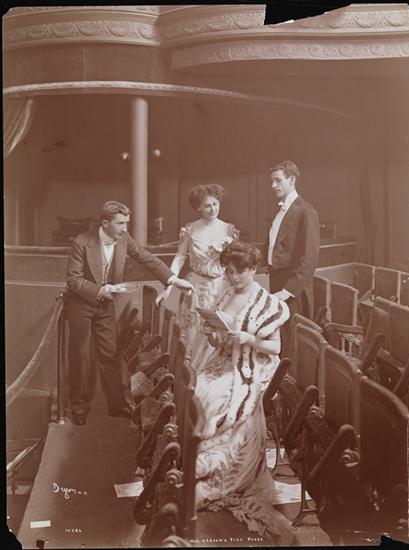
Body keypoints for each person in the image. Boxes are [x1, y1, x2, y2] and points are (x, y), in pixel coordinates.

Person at [192, 242, 294, 542]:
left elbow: (275, 348)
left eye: (239, 272)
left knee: (217, 399)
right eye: (229, 272)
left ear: (253, 269)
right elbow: (216, 338)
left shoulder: (267, 304)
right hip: (224, 359)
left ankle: (218, 475)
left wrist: (249, 338)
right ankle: (198, 463)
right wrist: (215, 336)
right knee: (198, 389)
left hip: (252, 365)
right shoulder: (226, 294)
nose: (233, 277)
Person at [66, 200, 193, 425]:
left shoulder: (124, 238)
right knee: (81, 356)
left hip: (105, 306)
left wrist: (173, 279)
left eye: (126, 223)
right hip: (82, 305)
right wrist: (100, 290)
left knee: (110, 354)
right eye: (120, 223)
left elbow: (145, 257)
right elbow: (73, 280)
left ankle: (117, 405)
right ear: (105, 223)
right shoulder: (81, 242)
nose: (125, 228)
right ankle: (79, 406)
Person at [157, 184, 239, 352]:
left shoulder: (229, 229)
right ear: (198, 207)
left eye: (215, 204)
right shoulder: (190, 229)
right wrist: (168, 287)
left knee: (219, 331)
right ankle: (192, 366)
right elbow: (180, 258)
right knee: (194, 332)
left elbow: (236, 262)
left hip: (221, 287)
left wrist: (228, 250)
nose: (212, 209)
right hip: (195, 287)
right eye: (207, 205)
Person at [263, 160, 320, 320]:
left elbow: (310, 258)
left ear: (292, 180)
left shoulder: (306, 211)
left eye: (278, 180)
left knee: (294, 331)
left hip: (293, 287)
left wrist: (288, 290)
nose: (273, 185)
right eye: (272, 181)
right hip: (277, 280)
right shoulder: (281, 210)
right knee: (279, 330)